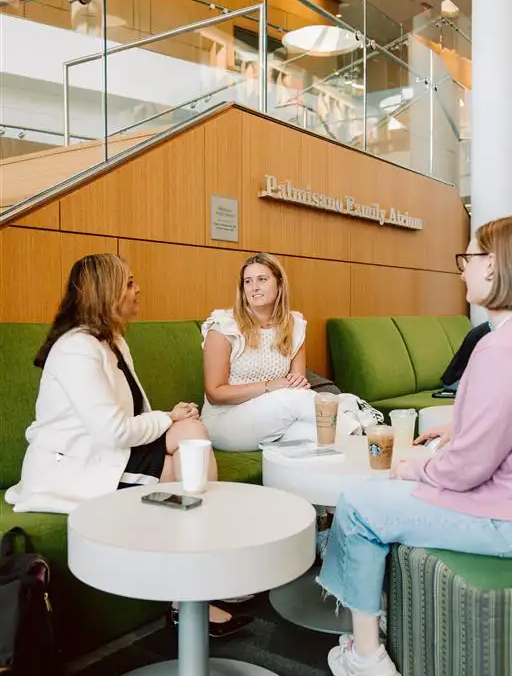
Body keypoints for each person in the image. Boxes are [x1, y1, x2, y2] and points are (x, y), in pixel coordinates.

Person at [317, 215, 512, 676]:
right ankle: (375, 611)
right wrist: (458, 428)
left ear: (496, 267)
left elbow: (468, 470)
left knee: (358, 503)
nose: (462, 270)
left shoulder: (500, 349)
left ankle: (366, 656)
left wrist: (415, 466)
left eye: (469, 257)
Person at [5, 253, 250, 636]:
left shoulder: (112, 338)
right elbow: (112, 432)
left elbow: (135, 412)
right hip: (81, 464)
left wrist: (175, 421)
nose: (138, 289)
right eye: (130, 282)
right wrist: (168, 418)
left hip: (111, 450)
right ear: (107, 292)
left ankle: (201, 572)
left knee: (193, 437)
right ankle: (190, 591)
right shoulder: (76, 349)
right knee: (183, 471)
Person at [201, 252, 316, 451]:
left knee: (312, 435)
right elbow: (215, 394)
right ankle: (363, 429)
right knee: (297, 399)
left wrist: (294, 383)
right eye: (248, 281)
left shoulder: (293, 325)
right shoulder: (223, 327)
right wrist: (269, 386)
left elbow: (297, 383)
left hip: (272, 416)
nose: (254, 288)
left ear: (279, 284)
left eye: (262, 279)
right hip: (225, 420)